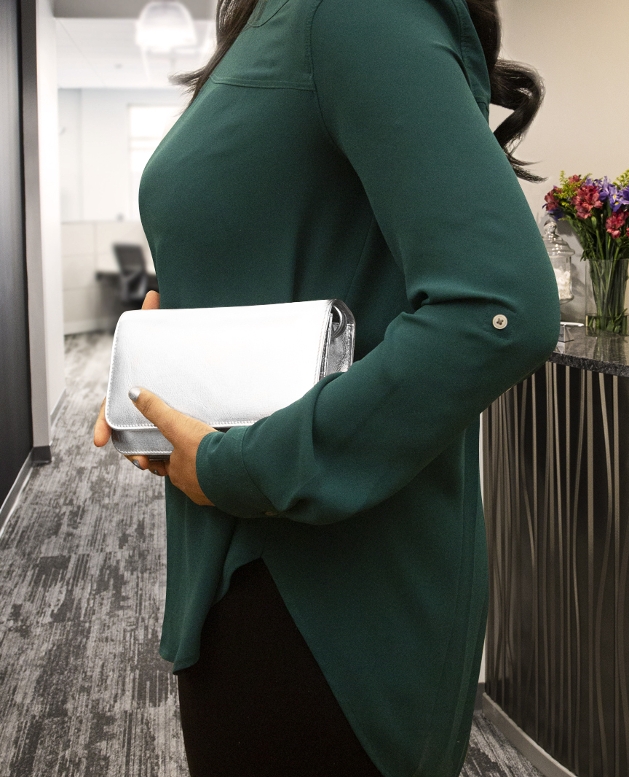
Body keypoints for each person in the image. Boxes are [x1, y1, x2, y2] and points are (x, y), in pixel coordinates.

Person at [94, 0, 560, 774]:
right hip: (238, 564)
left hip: (328, 601)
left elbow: (496, 308)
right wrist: (176, 343)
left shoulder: (354, 12)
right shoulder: (272, 23)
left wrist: (236, 467)